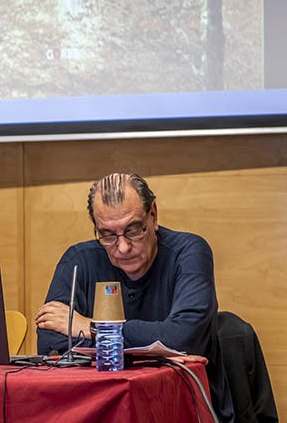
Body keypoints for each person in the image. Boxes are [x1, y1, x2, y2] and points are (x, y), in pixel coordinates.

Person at [35, 172, 233, 422]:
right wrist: (158, 353)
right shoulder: (78, 261)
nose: (123, 247)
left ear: (153, 215)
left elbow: (184, 337)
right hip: (99, 409)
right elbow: (51, 345)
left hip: (181, 408)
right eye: (107, 235)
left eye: (134, 230)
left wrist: (93, 328)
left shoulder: (189, 252)